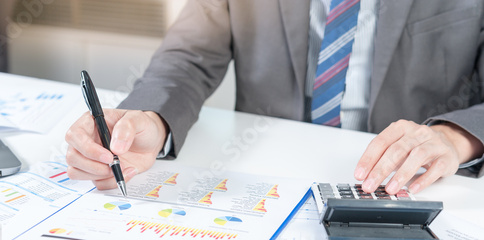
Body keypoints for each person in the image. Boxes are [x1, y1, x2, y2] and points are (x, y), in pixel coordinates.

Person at [66, 0, 484, 195]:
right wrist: (152, 119)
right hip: (263, 171)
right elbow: (189, 55)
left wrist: (455, 137)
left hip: (416, 185)